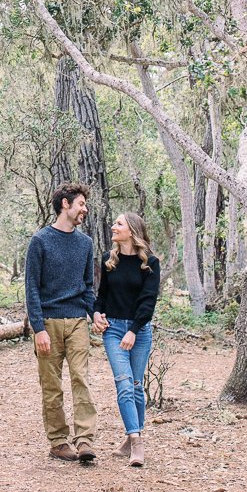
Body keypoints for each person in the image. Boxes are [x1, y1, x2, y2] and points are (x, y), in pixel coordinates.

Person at [24, 182, 97, 462]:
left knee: (81, 379)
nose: (84, 209)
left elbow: (87, 287)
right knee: (51, 385)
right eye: (81, 204)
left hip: (78, 321)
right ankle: (57, 441)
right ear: (65, 205)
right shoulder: (40, 241)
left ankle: (85, 440)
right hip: (49, 322)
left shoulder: (85, 244)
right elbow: (31, 288)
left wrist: (95, 314)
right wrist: (39, 328)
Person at [91, 211, 160, 468]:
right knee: (123, 383)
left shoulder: (150, 262)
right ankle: (137, 440)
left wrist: (133, 330)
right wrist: (96, 313)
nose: (113, 226)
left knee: (135, 385)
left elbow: (148, 301)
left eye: (118, 224)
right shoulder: (110, 260)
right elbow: (102, 295)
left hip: (139, 331)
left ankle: (131, 438)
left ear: (131, 230)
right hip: (113, 330)